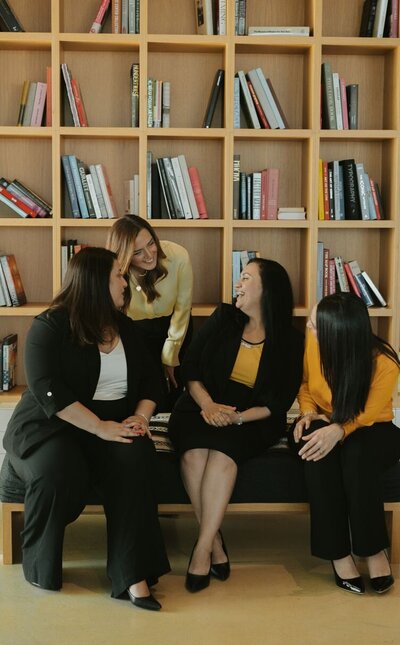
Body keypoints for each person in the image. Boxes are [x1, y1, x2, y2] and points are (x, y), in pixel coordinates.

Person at [3, 247, 170, 611]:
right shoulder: (50, 325)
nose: (125, 282)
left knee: (136, 455)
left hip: (111, 425)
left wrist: (140, 418)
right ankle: (40, 566)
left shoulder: (126, 327)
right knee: (56, 470)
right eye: (118, 276)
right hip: (52, 425)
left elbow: (152, 384)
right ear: (96, 281)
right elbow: (47, 387)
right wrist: (98, 427)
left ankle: (133, 574)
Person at [168, 258, 304, 592]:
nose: (237, 285)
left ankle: (201, 549)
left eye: (245, 278)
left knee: (222, 457)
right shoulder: (224, 318)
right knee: (193, 456)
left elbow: (277, 403)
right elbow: (191, 369)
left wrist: (236, 417)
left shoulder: (290, 339)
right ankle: (213, 543)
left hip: (252, 418)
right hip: (201, 405)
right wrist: (209, 405)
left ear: (267, 290)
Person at [292, 292, 400, 595]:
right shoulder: (314, 343)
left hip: (373, 427)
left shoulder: (385, 363)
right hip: (323, 417)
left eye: (315, 326)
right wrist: (309, 414)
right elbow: (306, 386)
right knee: (315, 450)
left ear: (339, 332)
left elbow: (365, 415)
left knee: (357, 454)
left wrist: (339, 430)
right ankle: (338, 554)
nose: (309, 330)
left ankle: (372, 550)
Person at [106, 214, 193, 410]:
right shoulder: (113, 270)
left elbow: (183, 308)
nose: (149, 254)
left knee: (175, 391)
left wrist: (171, 356)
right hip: (135, 332)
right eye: (137, 252)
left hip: (175, 327)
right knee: (147, 393)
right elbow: (114, 317)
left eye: (151, 243)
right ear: (123, 255)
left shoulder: (178, 256)